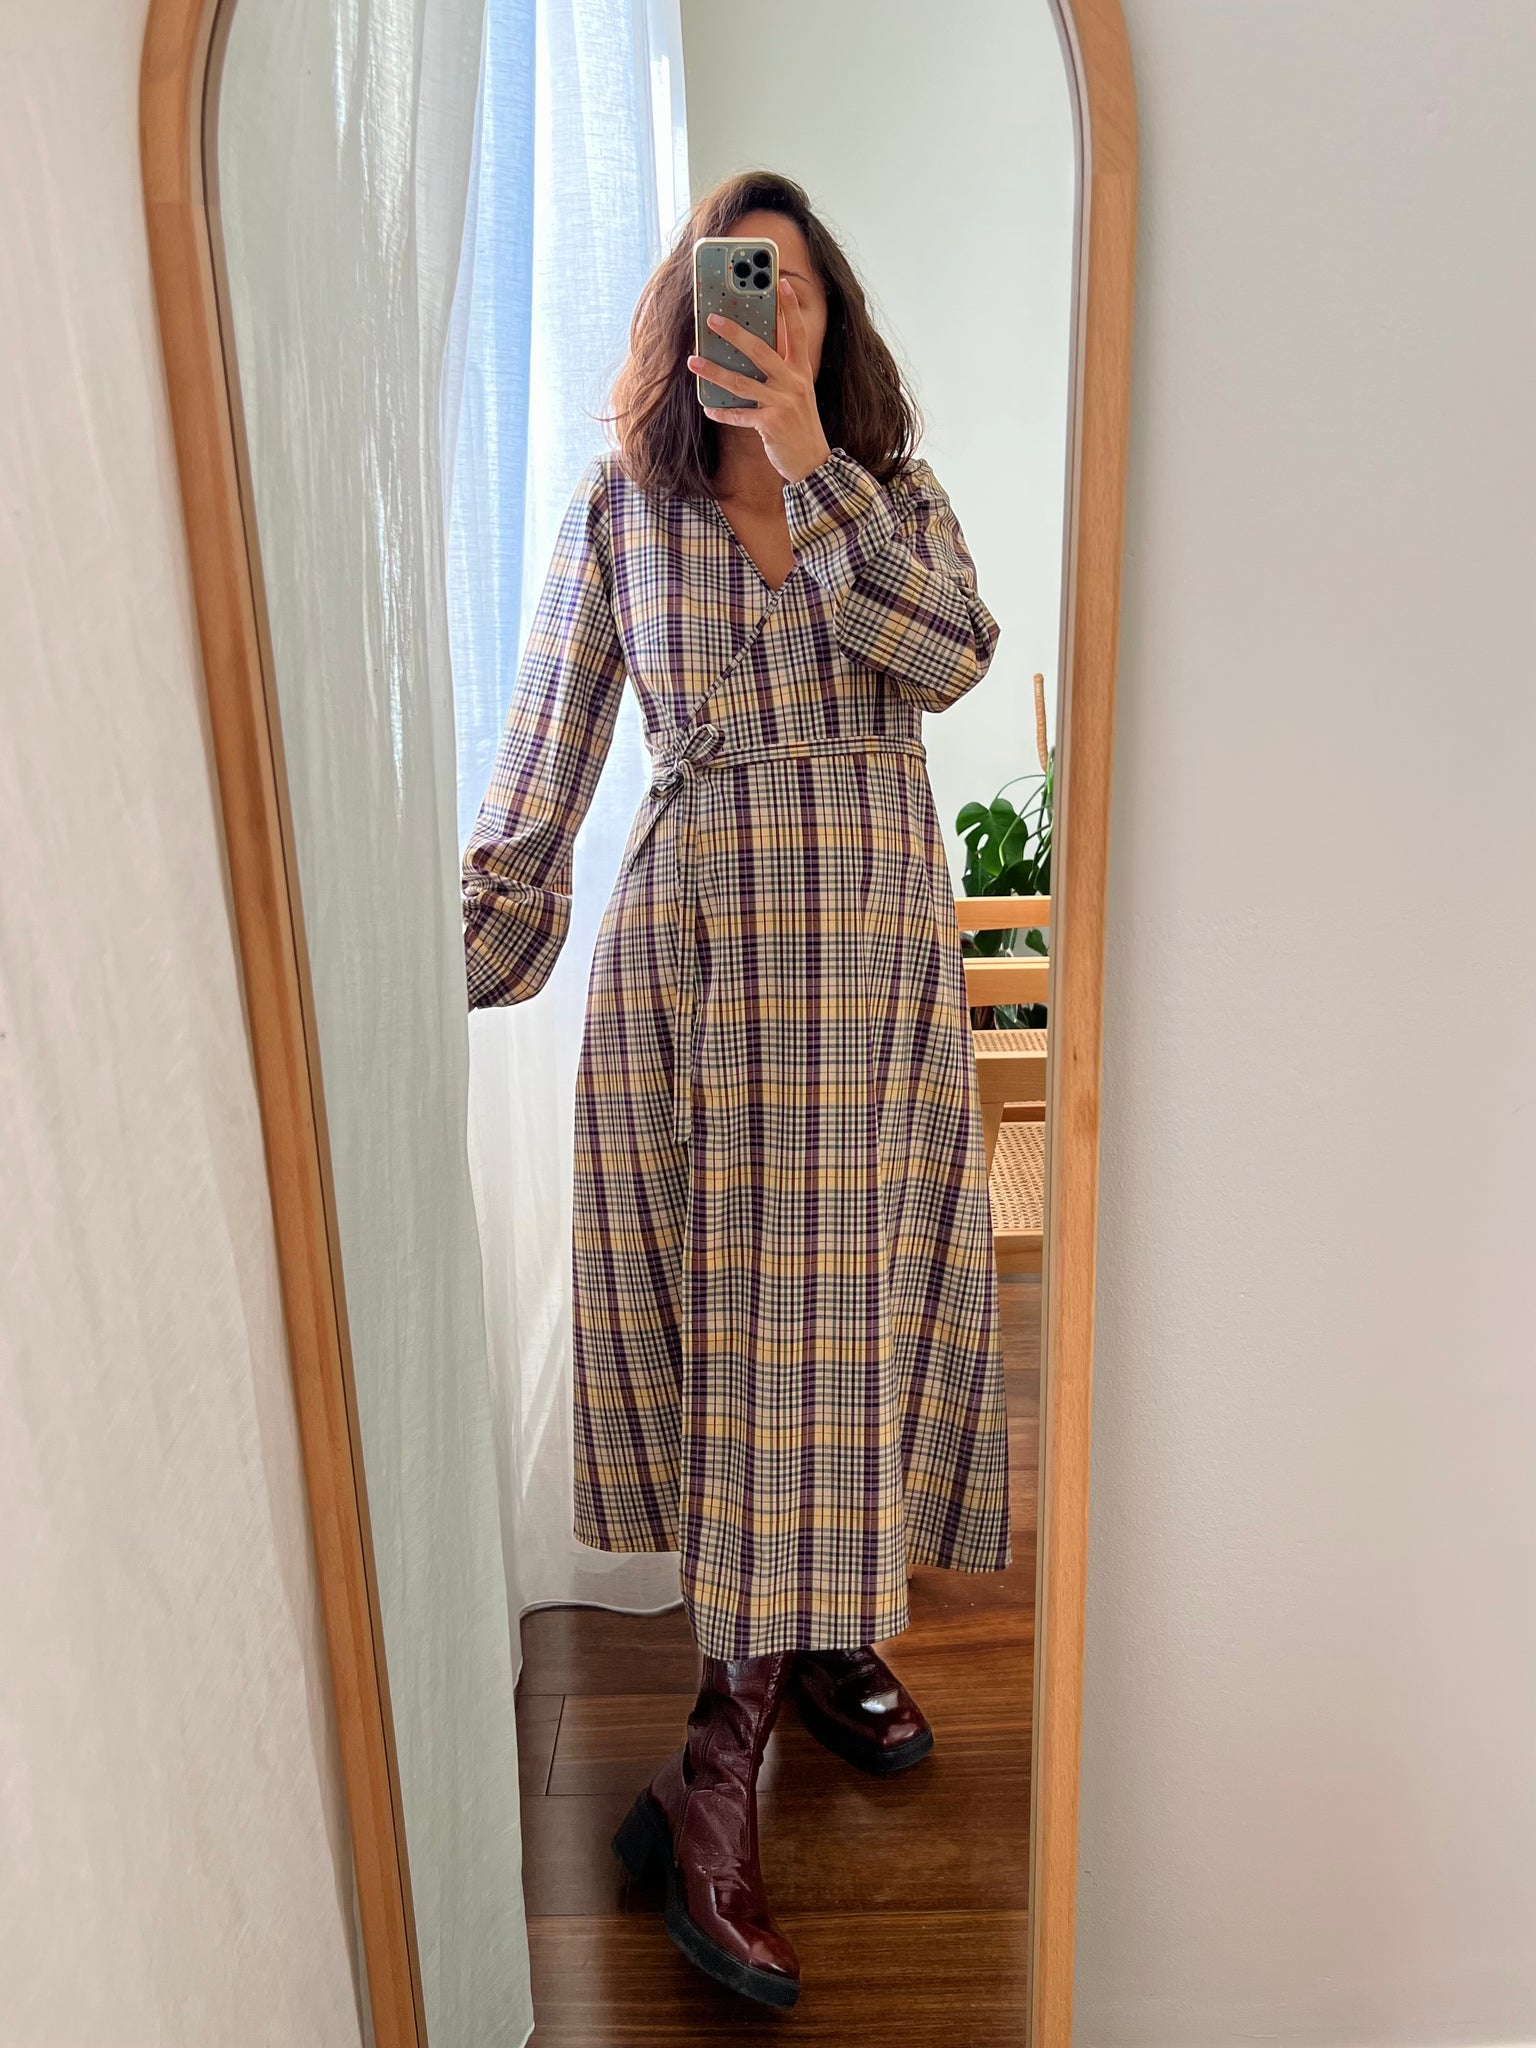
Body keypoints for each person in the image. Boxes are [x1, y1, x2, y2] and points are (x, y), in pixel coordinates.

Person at [462, 170, 1010, 2009]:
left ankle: (783, 1683)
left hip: (867, 975)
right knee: (745, 1340)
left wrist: (812, 470)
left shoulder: (892, 497)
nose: (771, 319)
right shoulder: (622, 505)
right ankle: (726, 1766)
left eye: (799, 294)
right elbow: (545, 747)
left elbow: (950, 657)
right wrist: (440, 960)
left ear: (829, 321)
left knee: (849, 1322)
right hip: (699, 976)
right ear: (687, 313)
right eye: (739, 289)